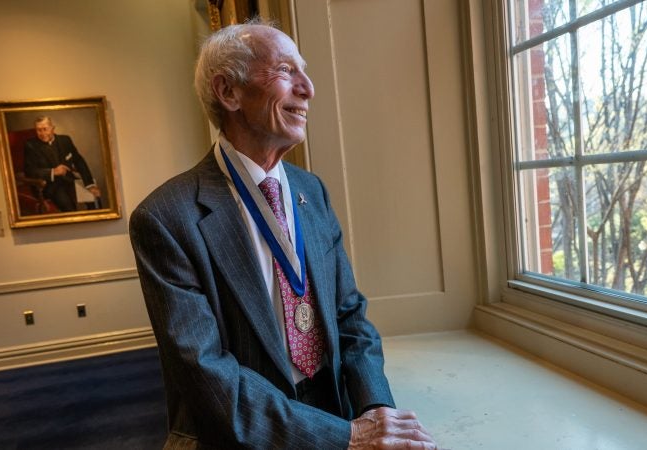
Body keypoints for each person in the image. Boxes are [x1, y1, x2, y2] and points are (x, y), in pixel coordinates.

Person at [129, 22, 439, 449]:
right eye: (285, 70)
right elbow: (204, 371)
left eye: (305, 71)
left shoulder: (312, 191)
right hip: (238, 435)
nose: (308, 88)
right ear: (229, 92)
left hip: (335, 412)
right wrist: (343, 437)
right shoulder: (166, 217)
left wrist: (375, 408)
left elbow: (350, 315)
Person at [23, 116, 101, 212]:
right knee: (69, 208)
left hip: (69, 179)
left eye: (45, 129)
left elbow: (79, 161)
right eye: (39, 130)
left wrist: (89, 184)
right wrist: (53, 172)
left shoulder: (65, 140)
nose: (42, 133)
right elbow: (29, 171)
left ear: (52, 128)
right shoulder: (30, 145)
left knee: (94, 200)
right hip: (48, 186)